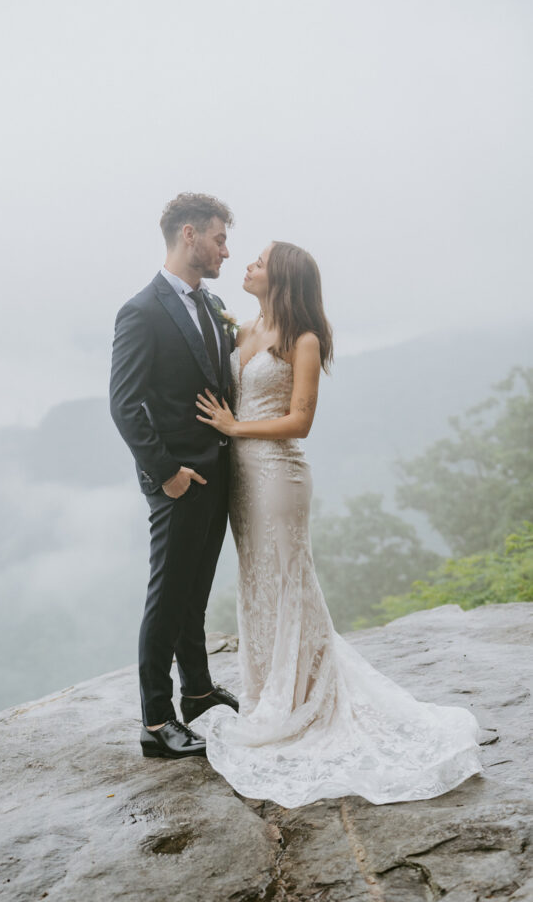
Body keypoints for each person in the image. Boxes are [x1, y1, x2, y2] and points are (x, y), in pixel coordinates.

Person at [194, 240, 483, 806]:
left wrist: (234, 429)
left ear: (282, 276)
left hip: (278, 475)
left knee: (287, 578)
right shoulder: (243, 328)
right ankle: (268, 692)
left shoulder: (302, 339)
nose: (248, 265)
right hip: (241, 482)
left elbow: (300, 420)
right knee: (257, 580)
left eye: (259, 260)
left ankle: (305, 697)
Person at [109, 192, 240, 760]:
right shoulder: (140, 311)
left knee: (195, 594)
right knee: (166, 597)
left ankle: (199, 692)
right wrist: (167, 473)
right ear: (189, 235)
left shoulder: (211, 305)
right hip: (179, 480)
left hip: (220, 475)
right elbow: (124, 403)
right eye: (219, 239)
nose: (225, 251)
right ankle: (157, 722)